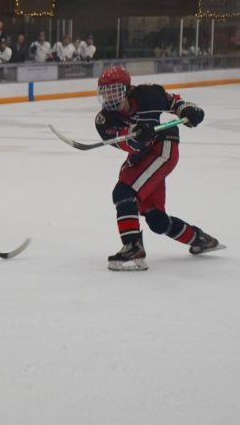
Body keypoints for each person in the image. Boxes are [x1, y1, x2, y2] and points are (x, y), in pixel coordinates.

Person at [94, 65, 221, 271]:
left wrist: (187, 109)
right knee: (156, 219)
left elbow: (174, 102)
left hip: (164, 147)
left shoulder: (148, 95)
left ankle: (133, 246)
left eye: (114, 91)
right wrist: (135, 135)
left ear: (126, 89)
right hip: (142, 155)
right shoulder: (104, 120)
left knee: (123, 192)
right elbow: (124, 143)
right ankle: (200, 239)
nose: (109, 98)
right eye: (105, 93)